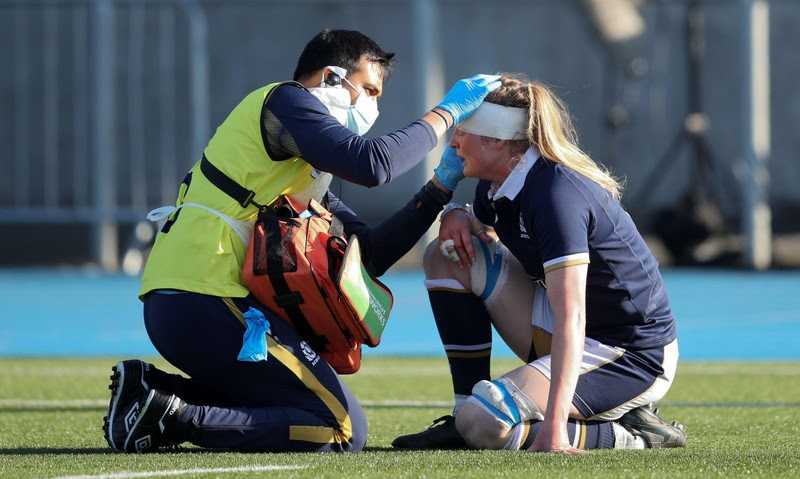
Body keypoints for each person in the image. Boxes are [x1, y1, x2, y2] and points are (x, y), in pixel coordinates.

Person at [102, 28, 500, 453]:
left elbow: (371, 255)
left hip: (194, 303)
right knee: (341, 429)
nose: (374, 106)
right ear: (330, 77)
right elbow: (373, 165)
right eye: (368, 89)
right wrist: (447, 112)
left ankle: (152, 393)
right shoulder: (285, 100)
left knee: (314, 412)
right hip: (205, 298)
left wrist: (440, 187)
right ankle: (176, 418)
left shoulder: (305, 169)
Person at [391, 73, 687, 453]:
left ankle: (631, 435)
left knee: (484, 423)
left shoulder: (555, 195)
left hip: (629, 353)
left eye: (464, 130)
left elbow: (572, 316)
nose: (454, 141)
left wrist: (556, 426)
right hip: (577, 333)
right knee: (445, 255)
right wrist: (455, 215)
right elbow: (483, 226)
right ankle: (462, 409)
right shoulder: (498, 182)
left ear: (497, 139)